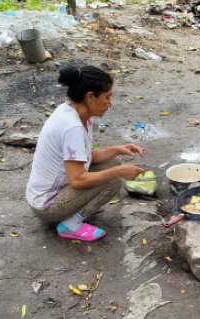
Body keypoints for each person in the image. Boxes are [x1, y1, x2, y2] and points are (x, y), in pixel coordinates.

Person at [26, 65, 145, 242]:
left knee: (113, 164)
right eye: (107, 97)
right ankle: (70, 224)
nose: (110, 103)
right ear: (90, 97)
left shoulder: (76, 113)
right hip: (47, 206)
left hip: (46, 194)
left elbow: (86, 156)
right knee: (113, 179)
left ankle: (78, 208)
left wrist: (117, 149)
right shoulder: (72, 127)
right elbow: (77, 180)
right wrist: (119, 172)